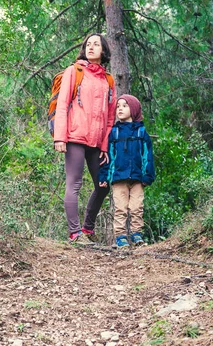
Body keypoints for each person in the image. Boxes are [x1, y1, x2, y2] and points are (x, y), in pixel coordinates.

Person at [53, 33, 117, 243]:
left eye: (96, 44)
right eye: (88, 44)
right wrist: (60, 138)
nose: (91, 47)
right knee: (74, 184)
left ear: (103, 50)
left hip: (97, 142)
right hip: (75, 138)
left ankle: (87, 230)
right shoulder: (75, 71)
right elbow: (62, 105)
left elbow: (110, 118)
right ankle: (75, 234)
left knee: (103, 184)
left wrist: (105, 147)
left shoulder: (108, 80)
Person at [98, 94, 155, 248]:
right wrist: (104, 176)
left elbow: (147, 156)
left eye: (125, 106)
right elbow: (107, 157)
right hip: (118, 178)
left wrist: (147, 176)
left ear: (134, 109)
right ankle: (121, 236)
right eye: (118, 106)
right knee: (120, 208)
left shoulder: (141, 132)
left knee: (137, 207)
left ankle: (137, 234)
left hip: (137, 178)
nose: (120, 109)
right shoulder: (114, 133)